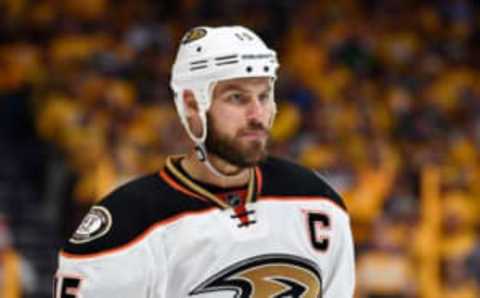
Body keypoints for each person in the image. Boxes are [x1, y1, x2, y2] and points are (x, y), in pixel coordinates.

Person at [55, 25, 355, 297]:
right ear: (191, 103)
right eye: (237, 98)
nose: (257, 115)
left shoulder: (317, 200)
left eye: (263, 96)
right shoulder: (126, 225)